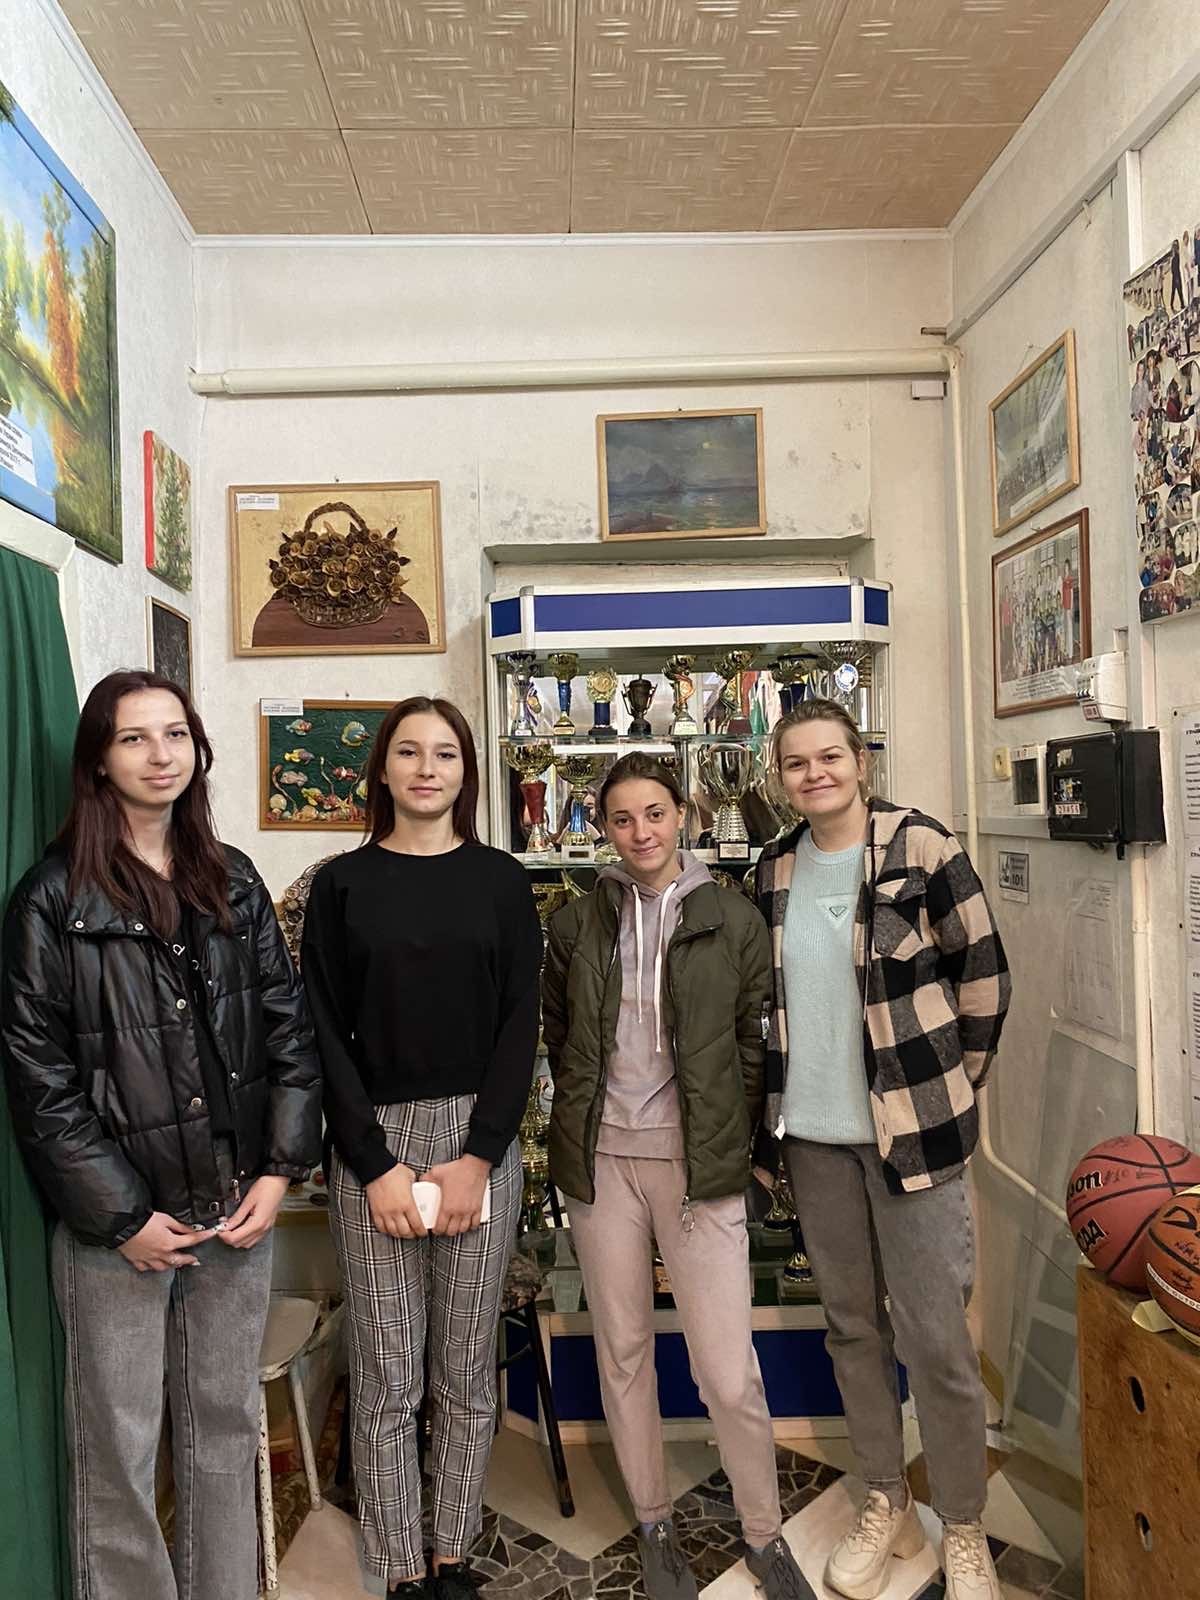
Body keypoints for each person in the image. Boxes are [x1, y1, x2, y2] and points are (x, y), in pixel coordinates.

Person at [1, 669, 322, 1600]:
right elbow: (40, 1080)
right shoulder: (51, 899)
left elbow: (288, 1033)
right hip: (120, 1228)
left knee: (224, 1425)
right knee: (119, 1447)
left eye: (175, 734)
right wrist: (121, 1218)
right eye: (134, 738)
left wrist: (278, 1172)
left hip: (236, 1203)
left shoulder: (234, 879)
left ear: (197, 749)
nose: (160, 755)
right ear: (99, 760)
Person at [755, 701, 1011, 1600]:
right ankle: (884, 1497)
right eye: (797, 763)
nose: (815, 774)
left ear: (860, 760)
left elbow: (985, 976)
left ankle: (964, 1523)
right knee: (853, 1329)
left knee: (937, 1339)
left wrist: (951, 1088)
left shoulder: (923, 846)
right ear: (779, 776)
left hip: (917, 1141)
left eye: (830, 756)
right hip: (814, 1142)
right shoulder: (773, 867)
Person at [541, 753, 812, 1600]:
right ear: (603, 827)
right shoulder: (576, 923)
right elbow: (561, 1035)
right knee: (623, 1351)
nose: (640, 833)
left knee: (727, 1370)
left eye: (654, 814)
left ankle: (764, 1534)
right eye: (621, 819)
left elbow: (754, 1045)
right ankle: (655, 1523)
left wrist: (746, 1153)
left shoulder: (732, 918)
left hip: (699, 1170)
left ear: (684, 814)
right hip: (602, 1169)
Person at [301, 696, 541, 1600]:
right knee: (387, 1372)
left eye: (445, 754)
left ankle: (452, 1554)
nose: (426, 769)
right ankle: (401, 1565)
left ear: (466, 772)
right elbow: (320, 1030)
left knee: (465, 1371)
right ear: (383, 770)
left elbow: (521, 1024)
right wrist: (372, 1164)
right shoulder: (340, 885)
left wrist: (480, 1158)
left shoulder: (501, 881)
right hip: (375, 1143)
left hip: (480, 1140)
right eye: (408, 752)